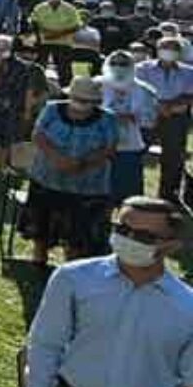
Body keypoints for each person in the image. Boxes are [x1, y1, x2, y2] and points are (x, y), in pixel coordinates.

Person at [26, 197, 193, 387]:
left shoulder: (187, 306)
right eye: (122, 230)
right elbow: (45, 346)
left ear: (172, 246)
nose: (130, 239)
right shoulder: (73, 278)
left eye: (144, 236)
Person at [22, 77, 121, 264]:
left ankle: (72, 266)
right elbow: (38, 135)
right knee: (41, 226)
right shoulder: (52, 109)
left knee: (78, 234)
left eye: (86, 101)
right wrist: (57, 158)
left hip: (87, 186)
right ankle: (38, 261)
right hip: (47, 178)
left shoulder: (107, 118)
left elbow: (110, 148)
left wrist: (82, 163)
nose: (80, 104)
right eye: (77, 98)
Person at [0, 35, 51, 176]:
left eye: (5, 47)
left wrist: (27, 110)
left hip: (13, 107)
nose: (1, 50)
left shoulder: (23, 67)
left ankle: (1, 166)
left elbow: (28, 90)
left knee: (5, 139)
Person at [139, 36, 193, 205]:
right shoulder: (142, 68)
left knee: (174, 156)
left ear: (179, 52)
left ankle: (168, 195)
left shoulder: (189, 72)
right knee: (137, 154)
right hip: (147, 116)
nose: (169, 51)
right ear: (157, 49)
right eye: (165, 47)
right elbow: (140, 91)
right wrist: (159, 106)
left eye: (173, 48)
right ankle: (134, 192)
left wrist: (169, 107)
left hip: (176, 118)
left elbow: (189, 95)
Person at [102, 51, 158, 200]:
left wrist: (134, 118)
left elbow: (150, 120)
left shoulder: (145, 90)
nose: (118, 67)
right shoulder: (96, 85)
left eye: (123, 64)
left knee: (129, 187)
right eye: (114, 63)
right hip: (99, 142)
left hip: (130, 144)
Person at [32, 0, 85, 86]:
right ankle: (36, 86)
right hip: (44, 42)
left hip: (63, 43)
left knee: (64, 69)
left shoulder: (70, 9)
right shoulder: (39, 8)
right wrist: (39, 37)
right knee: (38, 67)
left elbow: (76, 26)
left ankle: (65, 89)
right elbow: (34, 23)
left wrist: (57, 35)